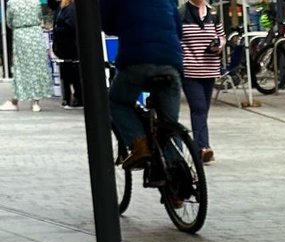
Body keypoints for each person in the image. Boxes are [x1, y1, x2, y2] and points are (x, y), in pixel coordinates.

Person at [101, 0, 182, 167]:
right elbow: (178, 30)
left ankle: (139, 144)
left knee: (117, 102)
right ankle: (178, 175)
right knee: (170, 125)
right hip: (171, 62)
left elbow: (107, 25)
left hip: (137, 61)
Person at [181, 0, 225, 164]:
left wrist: (218, 44)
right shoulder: (181, 13)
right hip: (190, 70)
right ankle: (202, 147)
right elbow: (176, 39)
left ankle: (200, 147)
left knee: (203, 110)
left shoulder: (213, 13)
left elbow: (221, 36)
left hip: (210, 69)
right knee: (198, 108)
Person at [1, 0, 54, 112]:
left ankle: (16, 100)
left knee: (21, 68)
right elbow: (40, 18)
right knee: (37, 67)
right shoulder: (36, 2)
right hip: (35, 34)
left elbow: (9, 22)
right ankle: (35, 102)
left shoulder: (12, 3)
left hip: (20, 34)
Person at [52, 0, 81, 108]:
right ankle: (68, 97)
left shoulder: (69, 8)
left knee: (71, 71)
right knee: (67, 71)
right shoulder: (61, 8)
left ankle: (74, 97)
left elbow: (72, 25)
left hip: (68, 44)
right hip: (64, 44)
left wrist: (58, 29)